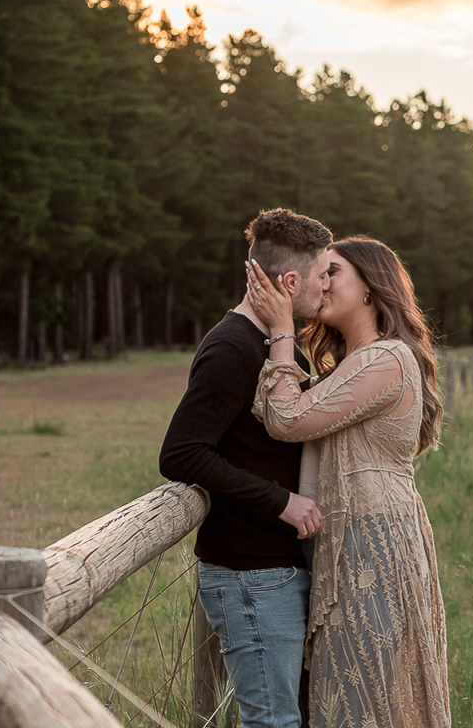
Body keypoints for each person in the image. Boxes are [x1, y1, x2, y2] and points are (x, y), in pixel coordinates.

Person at [246, 236, 451, 728]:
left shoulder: (386, 359)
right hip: (355, 537)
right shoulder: (351, 365)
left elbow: (286, 419)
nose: (321, 282)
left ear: (369, 287)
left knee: (365, 696)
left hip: (374, 540)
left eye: (333, 271)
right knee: (353, 693)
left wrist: (280, 330)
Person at [159, 208, 332, 728]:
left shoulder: (275, 343)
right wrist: (280, 501)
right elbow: (181, 452)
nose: (328, 286)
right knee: (273, 722)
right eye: (323, 274)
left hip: (275, 570)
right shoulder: (232, 347)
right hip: (248, 575)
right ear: (290, 281)